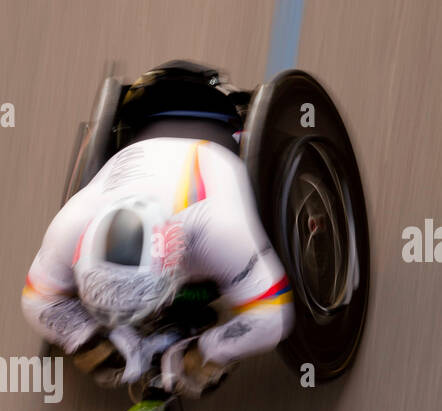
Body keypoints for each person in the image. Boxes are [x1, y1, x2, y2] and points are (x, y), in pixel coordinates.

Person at [21, 136, 294, 395]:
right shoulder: (69, 229)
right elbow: (36, 301)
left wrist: (207, 351)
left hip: (208, 163)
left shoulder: (219, 232)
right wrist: (86, 339)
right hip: (138, 161)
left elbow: (273, 317)